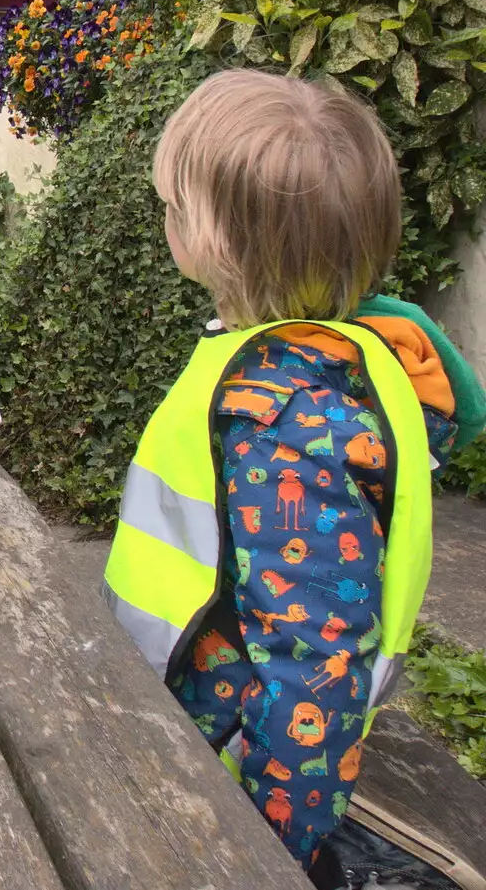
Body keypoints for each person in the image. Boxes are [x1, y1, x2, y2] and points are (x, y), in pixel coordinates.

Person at [102, 71, 483, 884]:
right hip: (175, 720)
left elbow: (313, 658)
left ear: (221, 242)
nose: (165, 215)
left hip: (223, 769)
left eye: (176, 205)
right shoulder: (321, 358)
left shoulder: (285, 424)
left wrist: (266, 848)